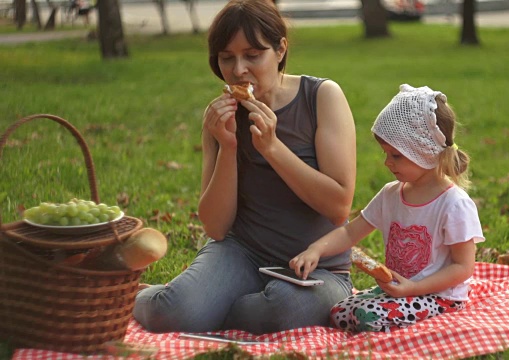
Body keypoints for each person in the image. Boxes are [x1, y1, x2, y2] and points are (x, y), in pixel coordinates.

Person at [133, 0, 356, 335]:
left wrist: (272, 148)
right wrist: (228, 145)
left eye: (253, 54)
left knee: (282, 310)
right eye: (227, 57)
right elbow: (216, 227)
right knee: (173, 313)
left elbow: (338, 207)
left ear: (280, 50)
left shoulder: (321, 96)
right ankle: (137, 295)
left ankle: (212, 308)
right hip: (243, 253)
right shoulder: (219, 116)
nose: (238, 69)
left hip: (319, 267)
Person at [290, 84, 485, 333]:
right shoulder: (391, 194)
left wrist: (413, 289)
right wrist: (316, 249)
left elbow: (463, 267)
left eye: (396, 155)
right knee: (339, 314)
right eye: (386, 154)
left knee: (366, 317)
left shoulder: (453, 204)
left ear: (424, 152)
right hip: (398, 291)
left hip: (439, 297)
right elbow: (351, 233)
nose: (386, 162)